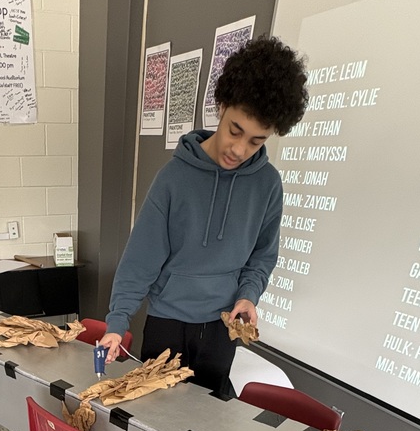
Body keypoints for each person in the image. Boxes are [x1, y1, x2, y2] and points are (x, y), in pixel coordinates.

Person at [100, 36, 309, 396]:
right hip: (167, 322)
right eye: (235, 130)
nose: (239, 150)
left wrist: (248, 295)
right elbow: (141, 260)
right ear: (221, 107)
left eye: (256, 141)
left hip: (220, 329)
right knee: (154, 420)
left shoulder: (268, 185)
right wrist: (117, 322)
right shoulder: (174, 178)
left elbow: (262, 257)